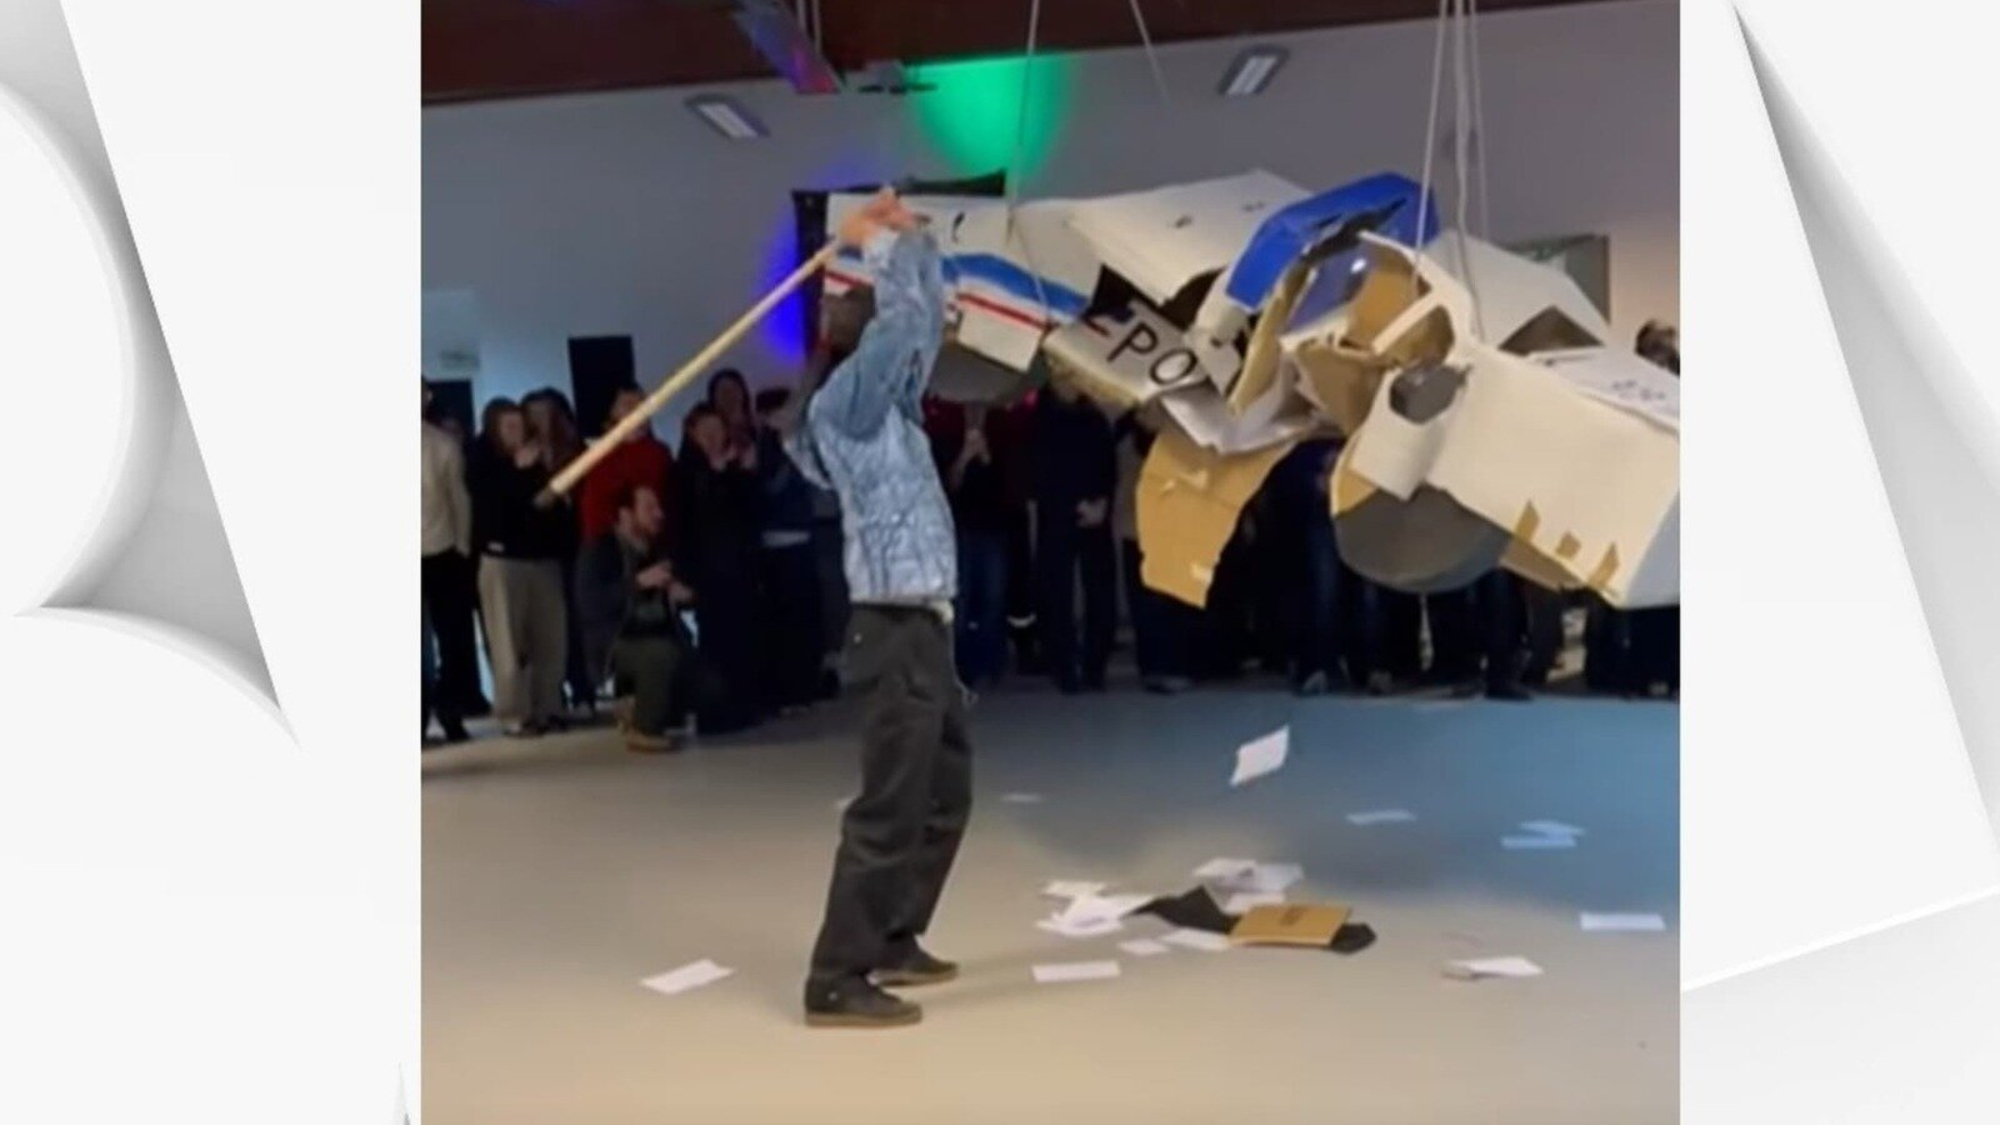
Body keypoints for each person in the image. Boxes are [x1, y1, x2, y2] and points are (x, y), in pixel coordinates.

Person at [787, 188, 966, 1029]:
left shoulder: (892, 409)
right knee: (889, 806)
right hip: (891, 627)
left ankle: (894, 935)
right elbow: (903, 329)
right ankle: (835, 975)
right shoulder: (845, 412)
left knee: (946, 794)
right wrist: (877, 248)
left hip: (925, 624)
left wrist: (912, 243)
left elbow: (919, 331)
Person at [468, 398, 571, 736]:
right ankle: (514, 713)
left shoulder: (538, 463)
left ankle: (549, 706)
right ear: (494, 429)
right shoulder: (482, 462)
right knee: (508, 643)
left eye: (520, 425)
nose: (517, 432)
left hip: (542, 559)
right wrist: (519, 470)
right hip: (503, 561)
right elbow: (493, 510)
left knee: (550, 639)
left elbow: (550, 509)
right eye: (509, 426)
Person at [575, 482, 696, 752]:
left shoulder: (656, 549)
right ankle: (644, 728)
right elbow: (590, 604)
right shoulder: (599, 551)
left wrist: (683, 595)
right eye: (649, 508)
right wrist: (637, 583)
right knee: (660, 654)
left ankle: (643, 706)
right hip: (615, 643)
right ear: (626, 515)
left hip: (658, 636)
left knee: (711, 688)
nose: (659, 514)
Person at [678, 402, 766, 732]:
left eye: (718, 430)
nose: (714, 438)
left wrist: (744, 475)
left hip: (739, 569)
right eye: (706, 432)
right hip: (708, 573)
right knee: (715, 643)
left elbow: (751, 513)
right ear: (692, 434)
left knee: (743, 638)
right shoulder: (685, 472)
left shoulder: (733, 471)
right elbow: (687, 523)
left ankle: (742, 704)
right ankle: (714, 712)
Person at [1029, 375, 1117, 693]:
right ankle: (1063, 665)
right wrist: (1071, 505)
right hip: (1058, 514)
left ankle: (1096, 664)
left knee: (1100, 589)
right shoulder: (1040, 420)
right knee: (1057, 592)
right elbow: (1037, 472)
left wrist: (1101, 502)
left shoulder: (1093, 418)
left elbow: (1108, 465)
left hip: (1096, 513)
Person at [523, 387, 598, 717]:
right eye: (534, 415)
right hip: (538, 548)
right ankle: (551, 693)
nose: (541, 422)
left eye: (546, 414)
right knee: (545, 624)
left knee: (575, 619)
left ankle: (583, 688)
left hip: (574, 544)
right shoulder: (523, 455)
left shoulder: (577, 452)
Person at [1113, 405, 1193, 693]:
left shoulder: (1177, 436)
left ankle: (1173, 664)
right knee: (1146, 604)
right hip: (1136, 527)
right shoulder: (1124, 436)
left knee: (1171, 602)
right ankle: (1154, 667)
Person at [754, 385, 825, 712]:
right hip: (777, 541)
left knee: (805, 618)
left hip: (802, 535)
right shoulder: (768, 445)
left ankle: (804, 685)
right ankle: (790, 688)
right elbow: (771, 487)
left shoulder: (796, 442)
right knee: (788, 620)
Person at [939, 402, 1013, 689]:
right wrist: (964, 457)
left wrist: (985, 456)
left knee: (993, 601)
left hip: (993, 531)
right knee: (961, 602)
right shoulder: (948, 440)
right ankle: (961, 666)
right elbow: (948, 486)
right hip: (960, 532)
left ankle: (989, 664)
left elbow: (1006, 486)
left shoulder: (1000, 439)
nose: (974, 417)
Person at [421, 380, 476, 742]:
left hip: (443, 551)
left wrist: (462, 546)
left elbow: (459, 498)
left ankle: (451, 710)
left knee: (454, 640)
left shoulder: (442, 444)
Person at [579, 384, 678, 546]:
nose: (637, 410)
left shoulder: (660, 453)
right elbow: (594, 510)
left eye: (642, 404)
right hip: (612, 544)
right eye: (628, 405)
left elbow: (672, 499)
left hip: (659, 541)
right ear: (613, 412)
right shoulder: (600, 456)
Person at [708, 368, 758, 459]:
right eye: (724, 392)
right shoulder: (712, 441)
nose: (730, 395)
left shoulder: (762, 428)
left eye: (734, 389)